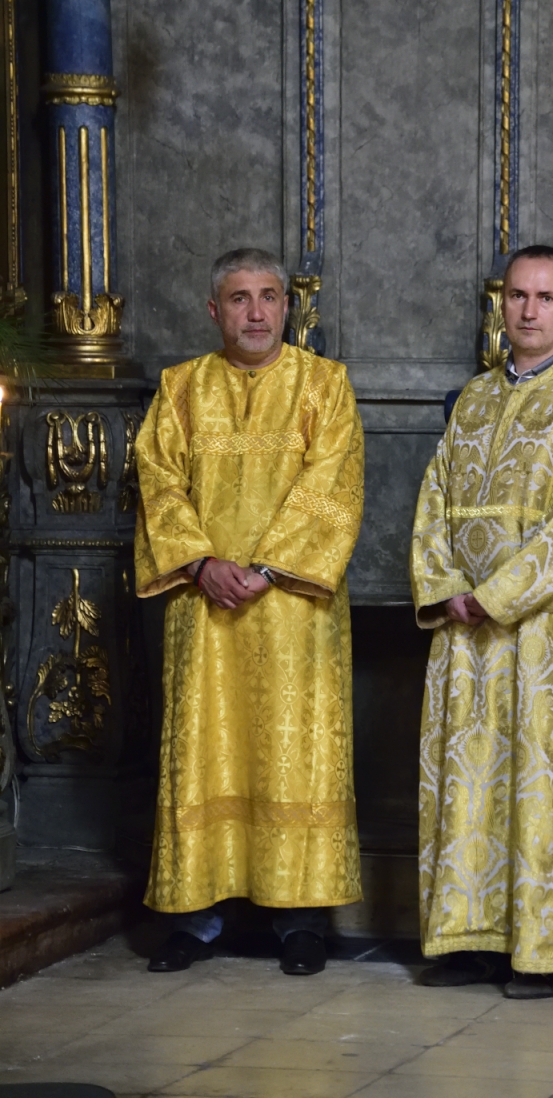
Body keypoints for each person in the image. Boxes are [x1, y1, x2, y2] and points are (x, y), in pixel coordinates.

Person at [135, 248, 364, 976]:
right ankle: (196, 918)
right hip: (203, 607)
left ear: (287, 307)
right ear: (214, 310)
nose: (256, 312)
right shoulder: (179, 388)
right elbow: (158, 485)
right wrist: (202, 564)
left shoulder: (324, 385)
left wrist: (265, 569)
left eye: (269, 297)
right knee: (203, 753)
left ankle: (300, 923)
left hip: (294, 610)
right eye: (239, 299)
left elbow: (333, 485)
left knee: (297, 759)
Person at [409, 245, 553, 998]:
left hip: (544, 639)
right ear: (499, 304)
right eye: (516, 295)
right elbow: (433, 505)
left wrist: (495, 594)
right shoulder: (472, 400)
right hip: (465, 635)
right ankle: (470, 941)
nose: (528, 310)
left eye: (545, 297)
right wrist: (446, 588)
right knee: (469, 786)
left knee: (542, 788)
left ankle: (548, 953)